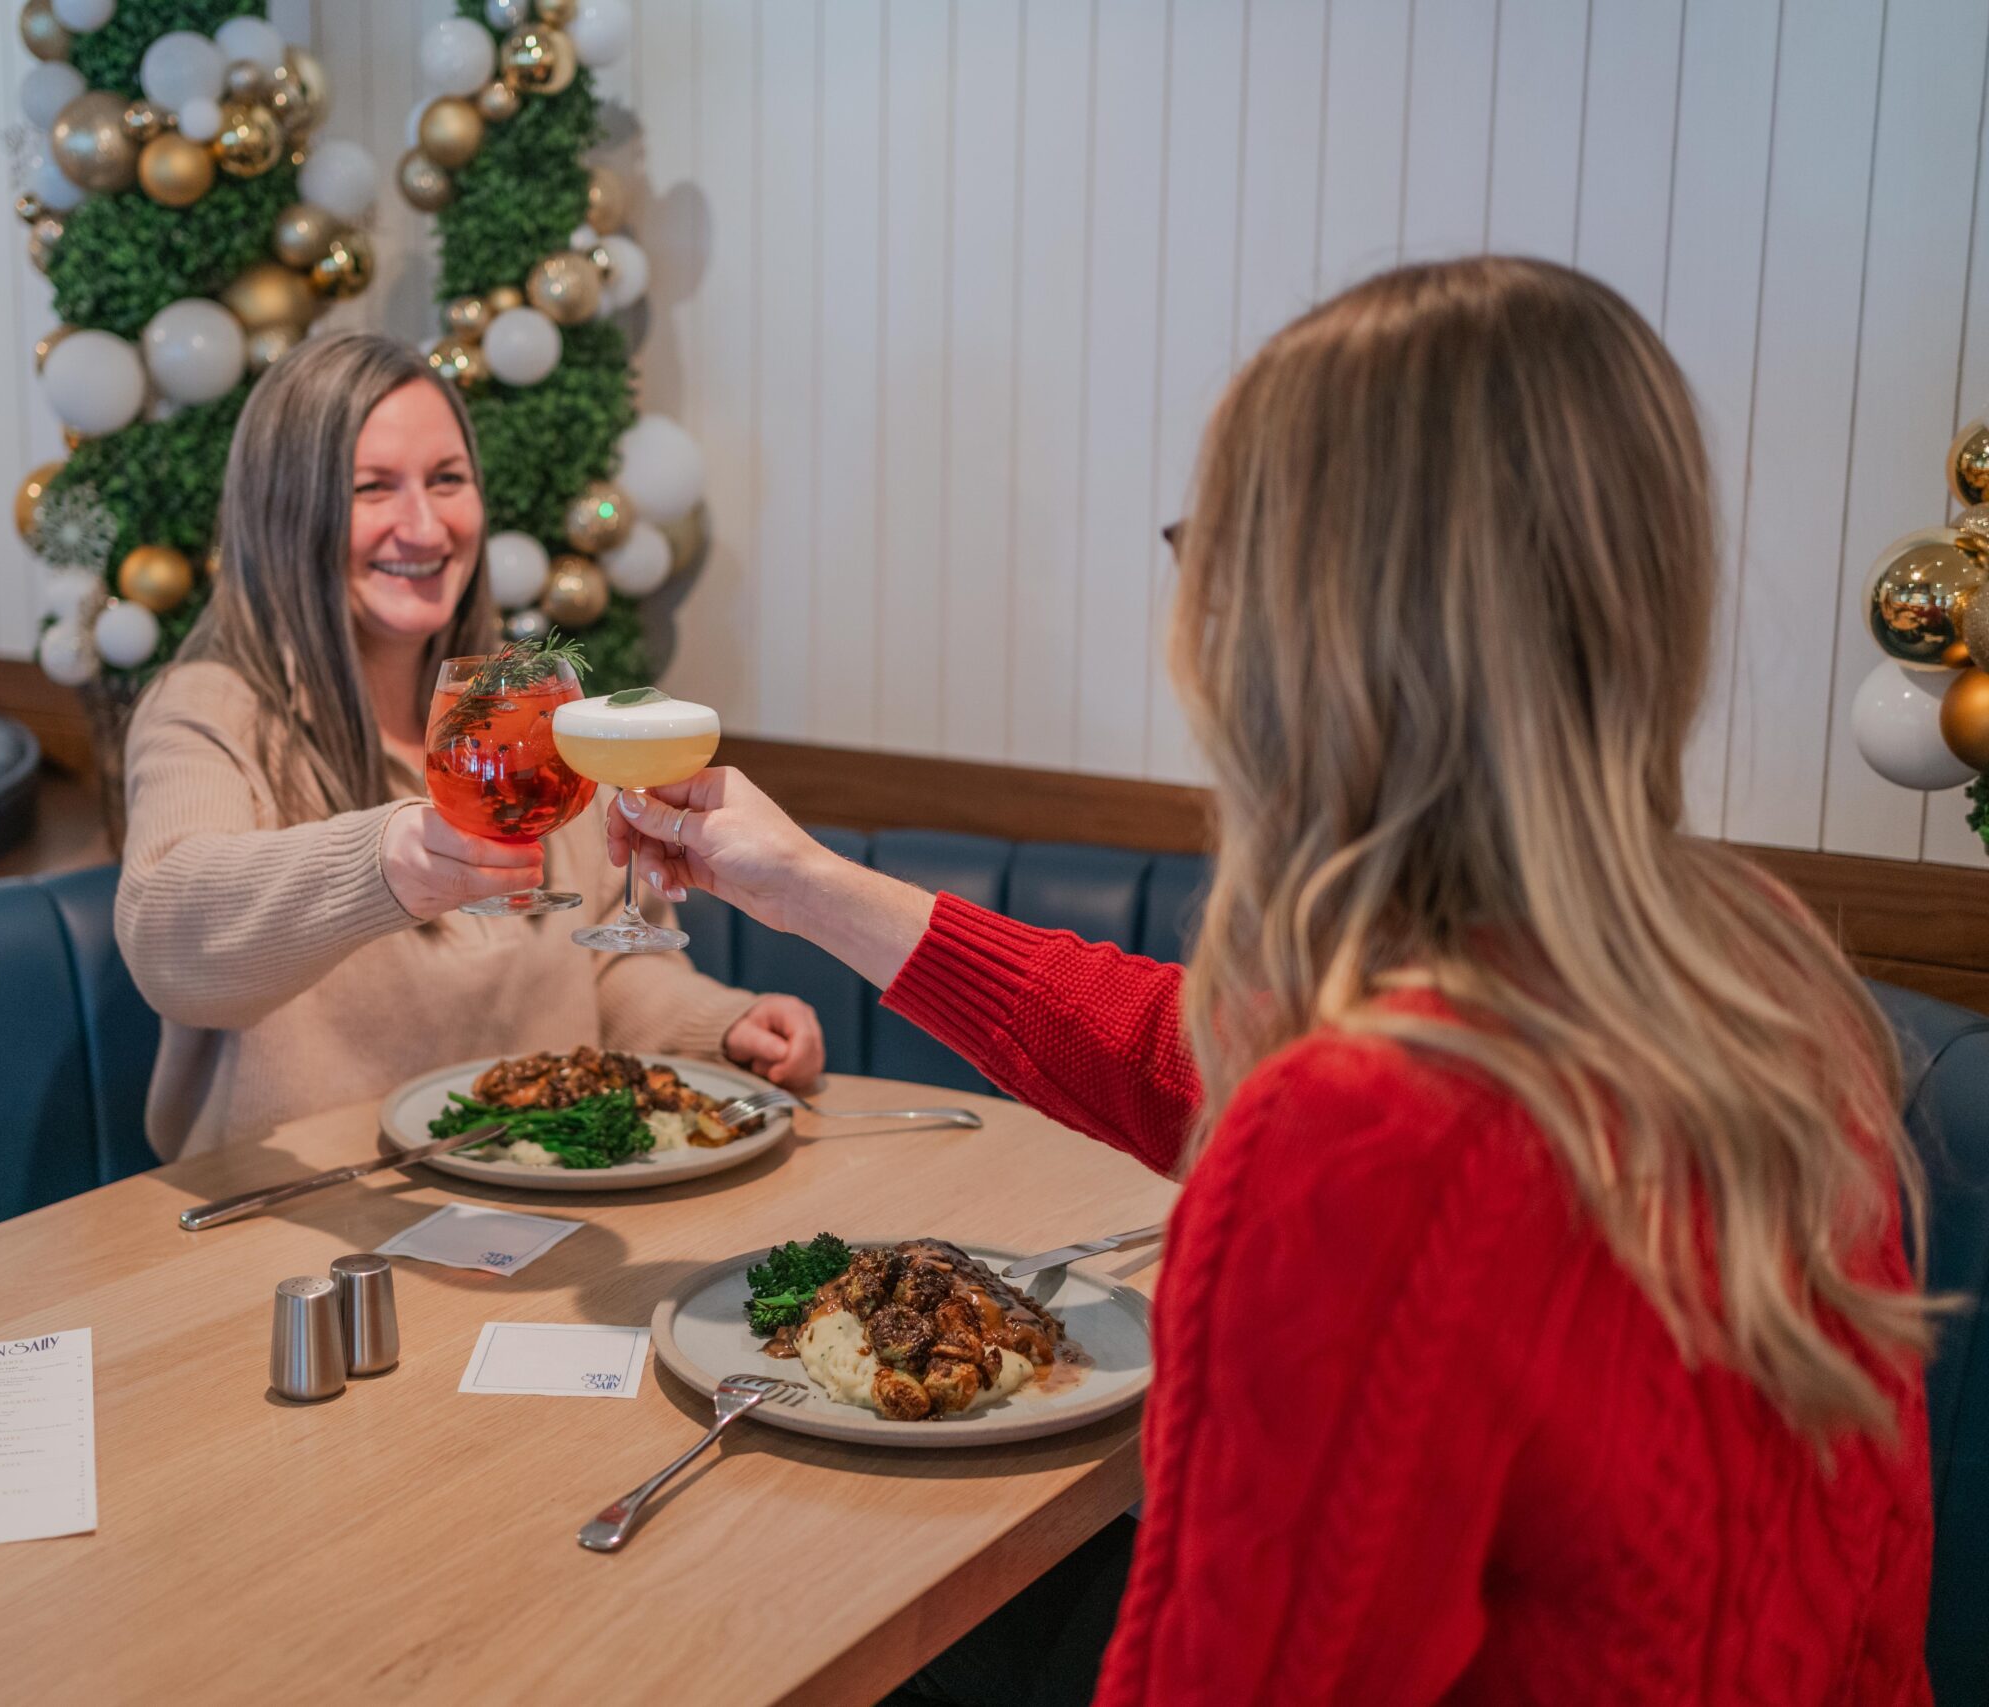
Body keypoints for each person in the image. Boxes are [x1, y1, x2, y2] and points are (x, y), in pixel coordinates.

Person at [610, 258, 1938, 1703]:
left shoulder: (1374, 1130)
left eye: (1204, 546)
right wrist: (803, 882)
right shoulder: (1761, 979)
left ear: (1307, 618)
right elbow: (1187, 1052)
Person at [114, 333, 820, 1161]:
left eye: (447, 480)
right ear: (286, 509)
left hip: (530, 1201)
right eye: (371, 488)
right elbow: (168, 942)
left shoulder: (523, 709)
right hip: (305, 1220)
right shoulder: (208, 708)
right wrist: (383, 862)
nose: (424, 525)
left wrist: (720, 1027)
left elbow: (592, 967)